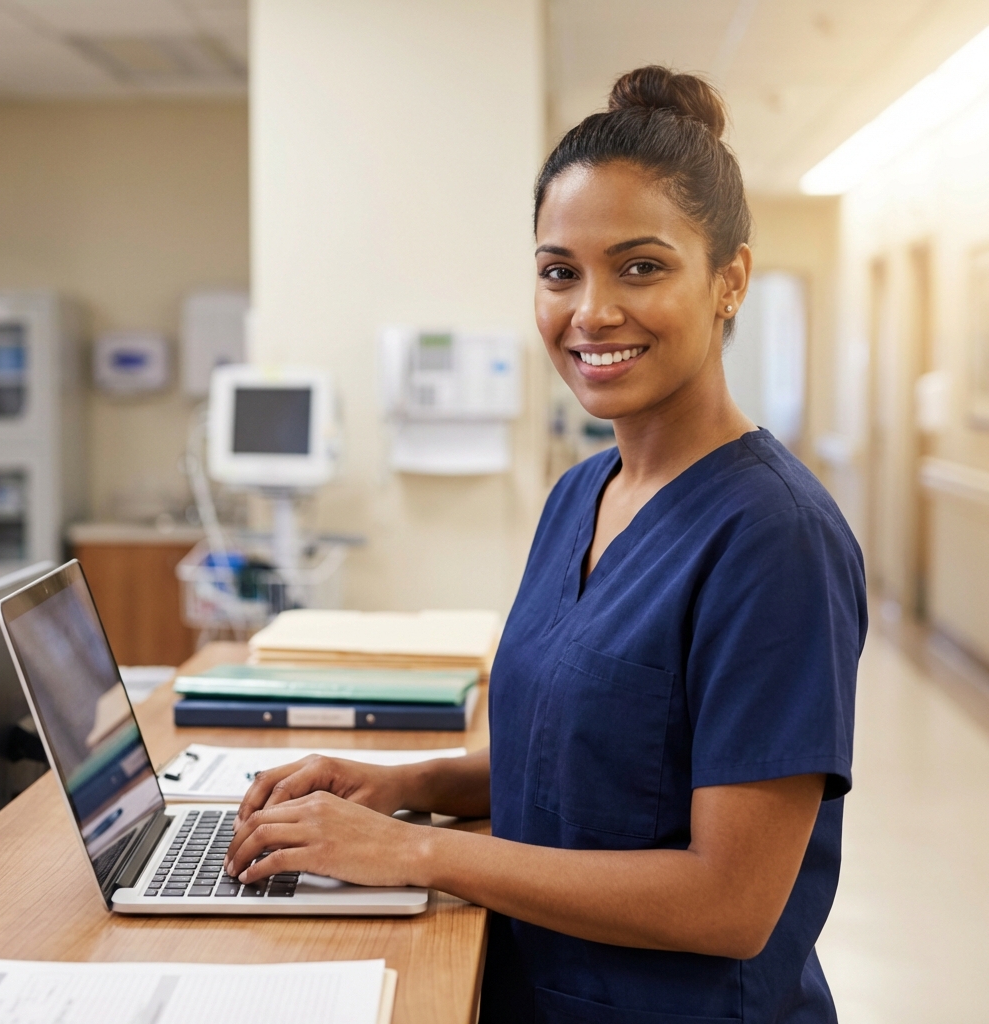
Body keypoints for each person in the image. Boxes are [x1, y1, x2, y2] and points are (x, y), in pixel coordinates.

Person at [224, 66, 866, 1024]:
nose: (590, 311)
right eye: (560, 271)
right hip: (531, 986)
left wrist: (419, 853)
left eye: (641, 267)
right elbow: (582, 757)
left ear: (730, 278)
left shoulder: (774, 539)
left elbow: (730, 903)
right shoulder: (581, 495)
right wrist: (397, 787)